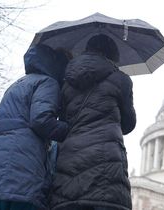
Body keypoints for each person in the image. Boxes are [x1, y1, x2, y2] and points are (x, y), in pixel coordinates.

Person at [0, 44, 70, 210]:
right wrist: (70, 129)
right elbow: (41, 120)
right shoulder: (48, 83)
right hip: (19, 174)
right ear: (60, 67)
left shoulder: (18, 84)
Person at [50, 34, 136, 210]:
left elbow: (63, 121)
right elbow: (128, 124)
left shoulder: (66, 82)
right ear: (112, 55)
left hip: (69, 163)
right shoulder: (121, 80)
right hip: (107, 167)